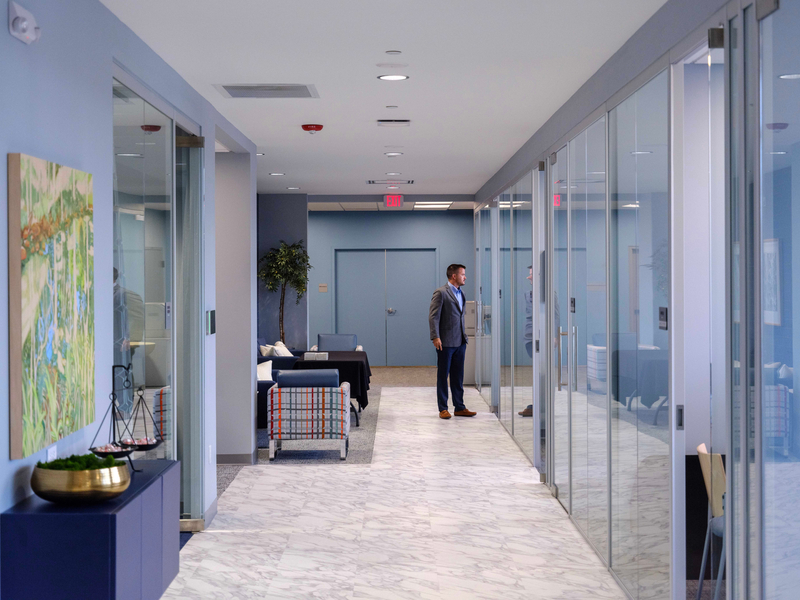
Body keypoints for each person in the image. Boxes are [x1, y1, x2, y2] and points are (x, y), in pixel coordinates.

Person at [429, 264, 477, 419]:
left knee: (458, 376)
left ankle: (459, 407)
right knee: (443, 375)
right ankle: (443, 408)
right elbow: (433, 316)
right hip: (446, 342)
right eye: (463, 274)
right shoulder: (441, 292)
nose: (465, 277)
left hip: (460, 342)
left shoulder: (461, 293)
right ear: (454, 276)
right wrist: (435, 336)